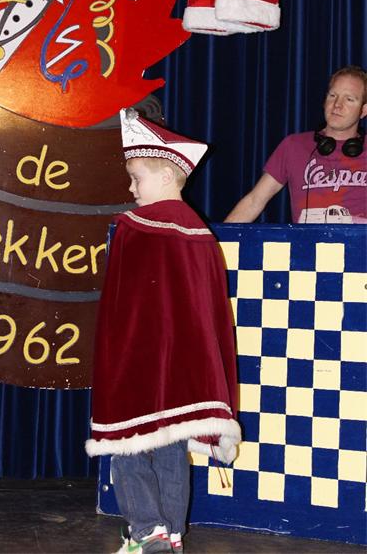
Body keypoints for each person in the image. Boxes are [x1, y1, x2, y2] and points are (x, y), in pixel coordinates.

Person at [86, 108, 241, 554]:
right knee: (173, 446)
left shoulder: (135, 228)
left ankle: (146, 530)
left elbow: (122, 308)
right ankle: (172, 534)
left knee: (129, 443)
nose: (131, 189)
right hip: (184, 366)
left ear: (167, 176)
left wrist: (115, 359)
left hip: (139, 361)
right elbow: (209, 314)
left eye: (136, 178)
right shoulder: (201, 235)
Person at [224, 65, 367, 224]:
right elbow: (254, 201)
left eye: (349, 99)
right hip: (307, 240)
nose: (337, 105)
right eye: (333, 95)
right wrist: (218, 239)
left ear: (364, 110)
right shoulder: (294, 146)